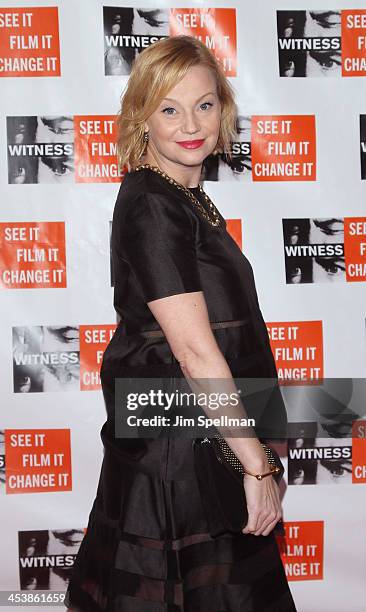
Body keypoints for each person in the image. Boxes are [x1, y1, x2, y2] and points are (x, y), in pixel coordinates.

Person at [65, 35, 297, 611]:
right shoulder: (152, 205)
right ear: (142, 117)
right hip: (180, 455)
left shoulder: (183, 198)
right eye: (169, 108)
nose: (191, 123)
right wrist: (257, 465)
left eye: (205, 104)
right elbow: (195, 352)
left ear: (225, 109)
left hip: (199, 440)